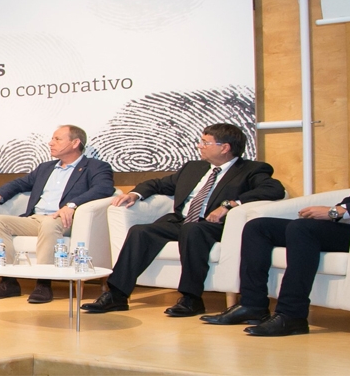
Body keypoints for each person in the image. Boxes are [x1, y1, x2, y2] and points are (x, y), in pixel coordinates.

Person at [202, 105, 350, 336]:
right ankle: (252, 305)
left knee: (303, 230)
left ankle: (292, 316)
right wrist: (337, 208)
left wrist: (337, 212)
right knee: (258, 227)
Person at [81, 123, 285, 316]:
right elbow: (159, 184)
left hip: (216, 226)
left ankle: (191, 298)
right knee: (140, 231)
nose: (200, 146)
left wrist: (229, 204)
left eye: (206, 142)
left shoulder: (251, 169)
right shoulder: (194, 168)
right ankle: (117, 294)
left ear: (225, 148)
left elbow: (273, 189)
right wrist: (136, 194)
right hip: (183, 220)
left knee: (193, 230)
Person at [0, 125, 115, 303]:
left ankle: (43, 283)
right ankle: (8, 282)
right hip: (35, 219)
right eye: (52, 139)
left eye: (57, 139)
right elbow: (19, 184)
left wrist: (72, 204)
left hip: (65, 220)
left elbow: (104, 188)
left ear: (75, 143)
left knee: (49, 223)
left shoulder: (95, 167)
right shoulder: (46, 168)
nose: (51, 143)